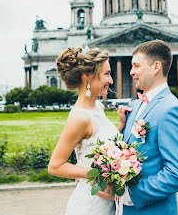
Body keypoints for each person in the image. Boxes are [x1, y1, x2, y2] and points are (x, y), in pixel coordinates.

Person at [115, 39, 178, 215]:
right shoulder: (134, 106)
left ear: (156, 67)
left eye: (136, 66)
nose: (131, 72)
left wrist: (132, 193)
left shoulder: (171, 110)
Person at [48, 47, 127, 215]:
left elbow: (99, 143)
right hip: (90, 206)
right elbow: (55, 166)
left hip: (107, 202)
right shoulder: (79, 117)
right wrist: (99, 174)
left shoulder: (97, 106)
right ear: (87, 76)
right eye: (106, 74)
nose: (111, 80)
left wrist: (121, 126)